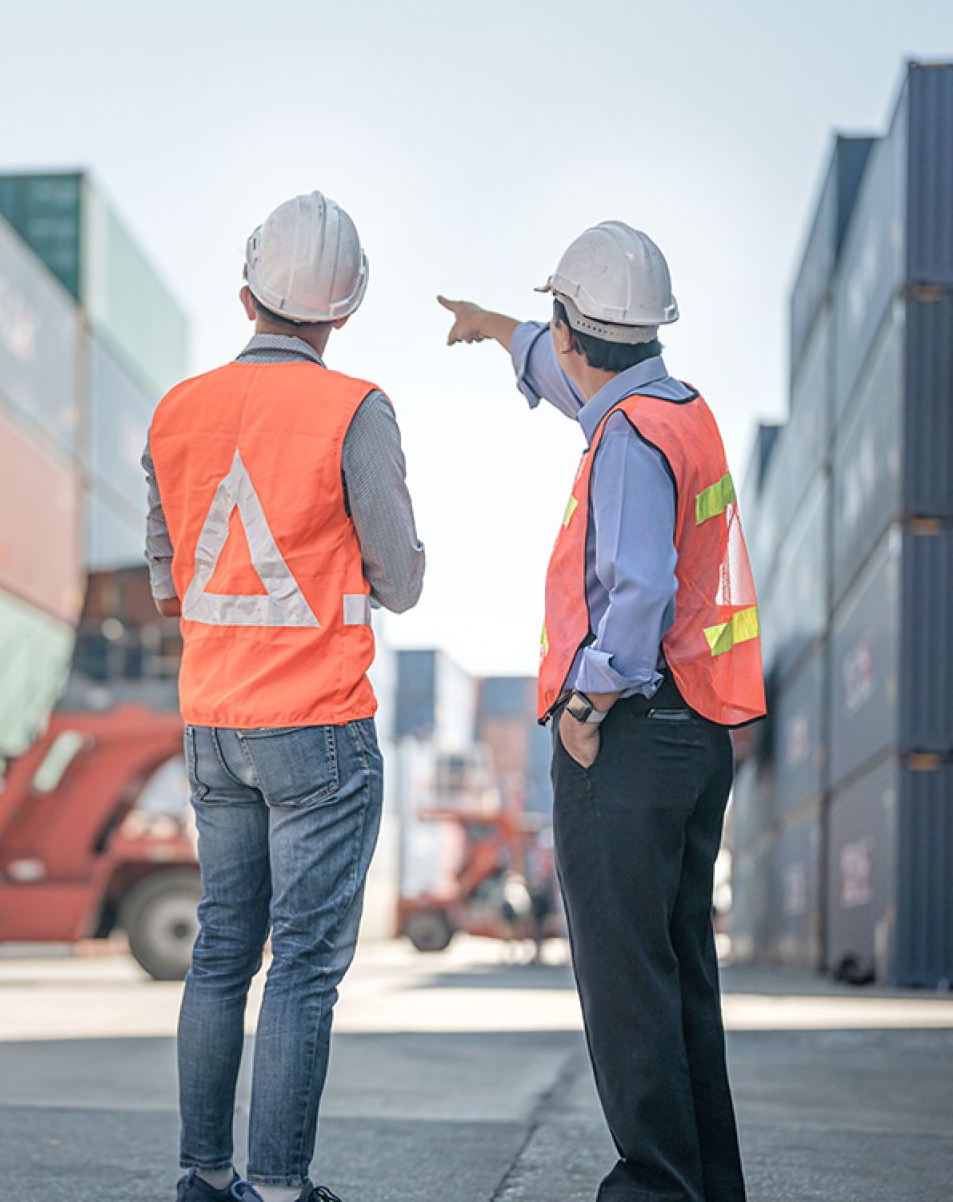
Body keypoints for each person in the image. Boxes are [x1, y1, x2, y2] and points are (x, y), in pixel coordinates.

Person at [438, 221, 765, 1202]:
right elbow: (560, 365)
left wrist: (588, 698)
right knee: (676, 981)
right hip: (698, 733)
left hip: (627, 736)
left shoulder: (625, 440)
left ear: (574, 327)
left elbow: (637, 589)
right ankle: (704, 1187)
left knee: (626, 989)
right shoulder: (678, 407)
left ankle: (655, 1189)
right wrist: (496, 327)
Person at [143, 192, 424, 1202]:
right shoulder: (356, 409)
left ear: (246, 290)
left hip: (214, 727)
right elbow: (400, 579)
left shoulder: (176, 411)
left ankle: (206, 1176)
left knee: (221, 950)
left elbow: (168, 581)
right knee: (301, 965)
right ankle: (277, 1187)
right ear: (342, 314)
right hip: (318, 728)